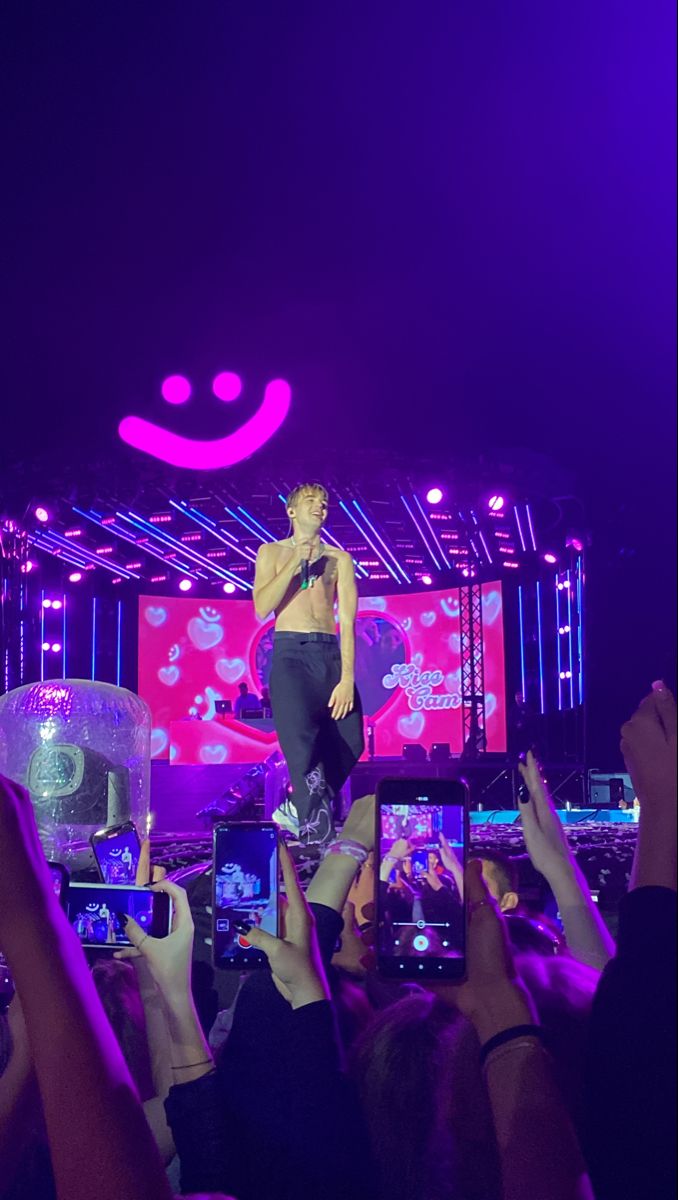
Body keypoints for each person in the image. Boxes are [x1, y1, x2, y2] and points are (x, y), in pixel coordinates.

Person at [253, 482, 364, 845]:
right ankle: (318, 837)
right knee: (302, 747)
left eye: (325, 503)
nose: (320, 507)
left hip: (329, 653)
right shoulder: (269, 552)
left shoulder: (340, 559)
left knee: (352, 742)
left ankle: (296, 806)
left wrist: (347, 677)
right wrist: (295, 564)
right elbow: (261, 606)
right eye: (311, 502)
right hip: (291, 655)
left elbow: (347, 621)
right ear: (291, 511)